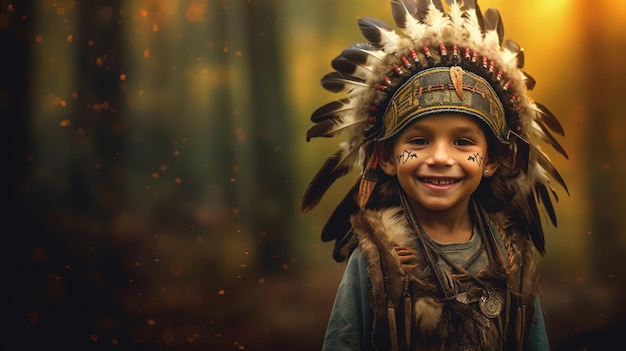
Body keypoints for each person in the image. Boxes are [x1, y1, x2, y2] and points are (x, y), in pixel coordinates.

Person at [301, 1, 568, 350]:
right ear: (385, 157)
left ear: (492, 160)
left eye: (462, 141)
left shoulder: (513, 259)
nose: (440, 158)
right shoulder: (376, 261)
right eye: (420, 140)